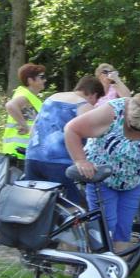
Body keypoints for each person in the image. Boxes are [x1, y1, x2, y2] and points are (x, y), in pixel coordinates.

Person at [65, 94, 140, 257]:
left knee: (124, 227)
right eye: (134, 127)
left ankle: (118, 268)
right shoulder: (111, 112)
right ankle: (89, 261)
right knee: (106, 225)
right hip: (102, 178)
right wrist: (80, 161)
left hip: (132, 180)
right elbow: (71, 129)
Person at [22, 75, 104, 204]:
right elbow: (95, 139)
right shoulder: (84, 106)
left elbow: (34, 129)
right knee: (69, 207)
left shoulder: (51, 98)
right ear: (93, 95)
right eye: (96, 100)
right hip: (60, 163)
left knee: (35, 206)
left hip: (32, 158)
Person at [1, 63, 46, 158]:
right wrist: (24, 126)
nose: (45, 80)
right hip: (18, 151)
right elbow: (10, 105)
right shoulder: (24, 95)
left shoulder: (32, 98)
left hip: (24, 150)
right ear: (30, 80)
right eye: (41, 77)